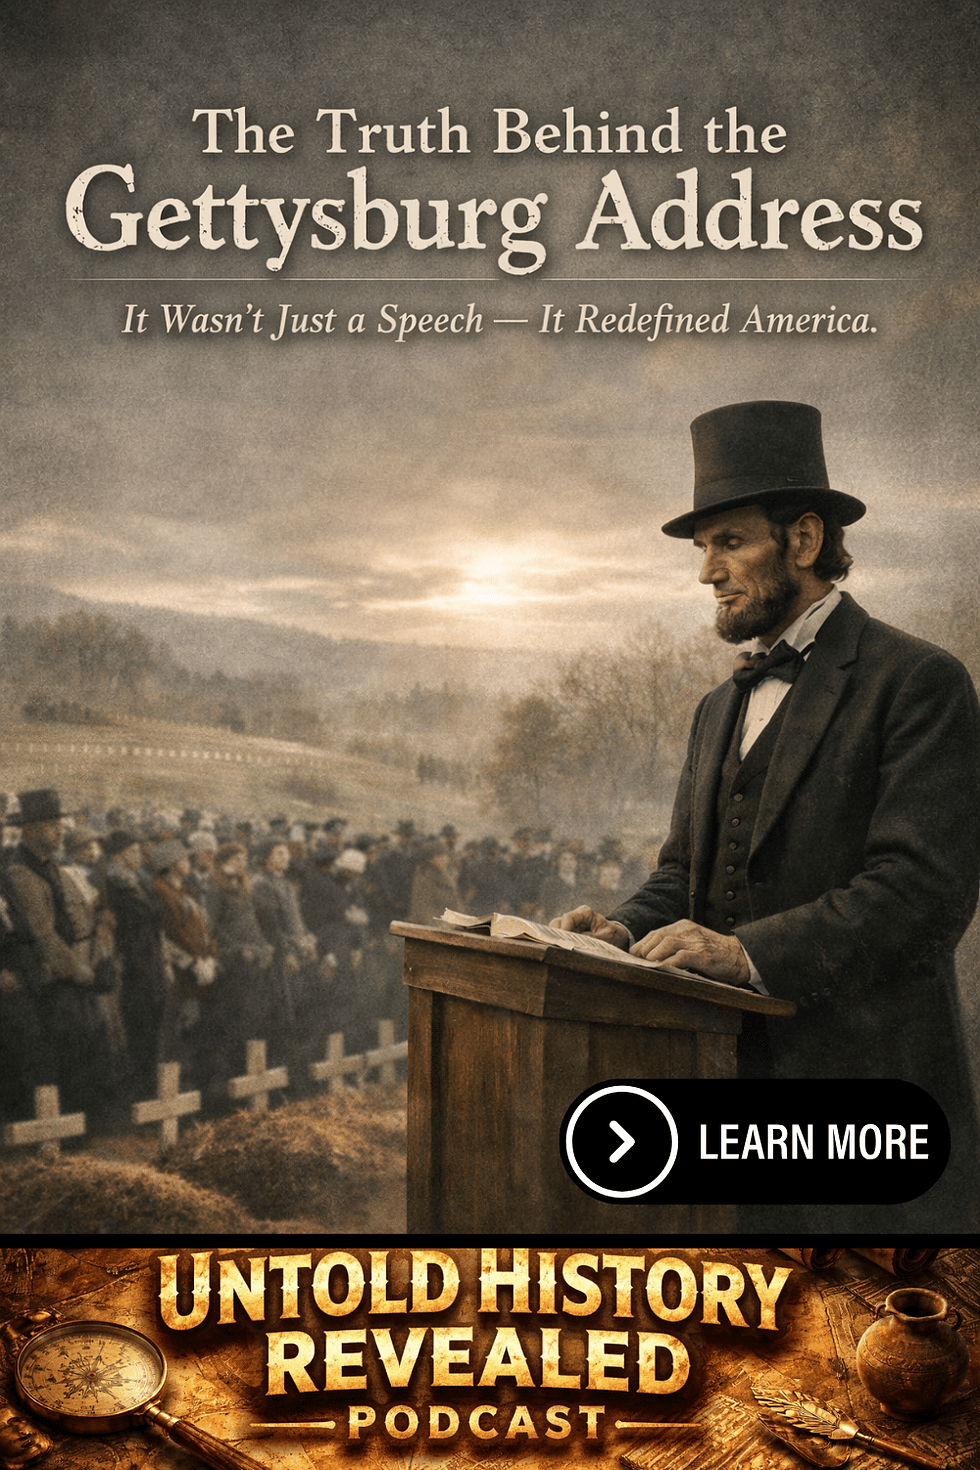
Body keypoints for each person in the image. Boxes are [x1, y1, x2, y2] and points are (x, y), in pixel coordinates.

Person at [554, 399, 980, 1229]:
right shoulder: (719, 706)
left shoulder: (918, 683)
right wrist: (619, 930)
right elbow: (685, 875)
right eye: (702, 549)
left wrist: (746, 952)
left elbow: (921, 897)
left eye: (729, 542)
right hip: (726, 1107)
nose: (706, 572)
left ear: (806, 540)